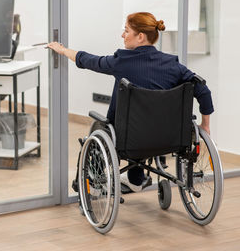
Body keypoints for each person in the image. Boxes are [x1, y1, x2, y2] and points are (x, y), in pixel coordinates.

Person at [47, 12, 214, 192]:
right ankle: (135, 179)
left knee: (102, 126)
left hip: (129, 140)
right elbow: (203, 90)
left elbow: (88, 60)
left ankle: (94, 182)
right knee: (142, 123)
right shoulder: (173, 65)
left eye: (126, 31)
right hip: (169, 139)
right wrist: (205, 125)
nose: (122, 35)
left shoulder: (121, 62)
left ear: (140, 37)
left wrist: (63, 50)